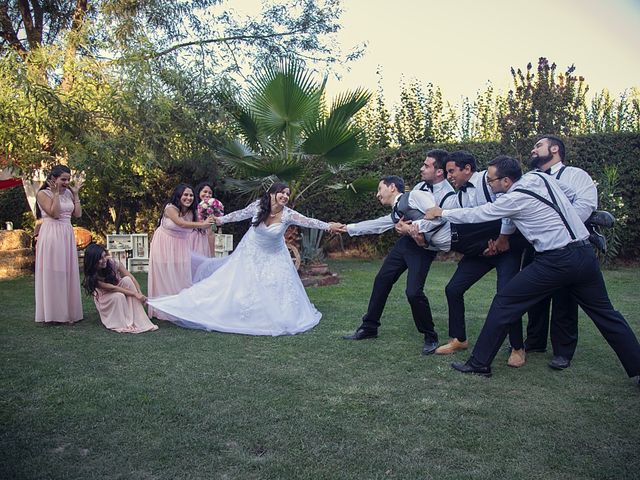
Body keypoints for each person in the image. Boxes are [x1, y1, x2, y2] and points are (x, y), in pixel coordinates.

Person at [425, 155, 640, 383]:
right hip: (585, 254)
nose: (488, 184)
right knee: (608, 316)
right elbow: (568, 195)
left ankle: (479, 364)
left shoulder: (514, 198)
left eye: (491, 180)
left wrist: (442, 213)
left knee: (504, 301)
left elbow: (479, 214)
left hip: (556, 260)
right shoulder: (539, 178)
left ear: (506, 181)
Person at [147, 182, 343, 335]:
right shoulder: (259, 206)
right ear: (272, 194)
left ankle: (269, 316)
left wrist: (328, 226)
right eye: (282, 192)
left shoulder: (288, 214)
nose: (285, 195)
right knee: (233, 286)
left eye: (287, 193)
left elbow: (309, 222)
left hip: (275, 256)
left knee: (276, 287)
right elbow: (239, 215)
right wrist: (220, 219)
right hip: (250, 252)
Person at [342, 153, 456, 355]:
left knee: (413, 292)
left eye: (380, 188)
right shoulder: (414, 193)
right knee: (382, 280)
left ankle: (430, 336)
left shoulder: (443, 194)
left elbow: (440, 218)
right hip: (405, 244)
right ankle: (369, 327)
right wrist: (348, 228)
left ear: (392, 187)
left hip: (423, 248)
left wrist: (417, 230)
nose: (377, 194)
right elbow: (380, 224)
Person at [438, 151, 526, 367]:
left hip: (508, 247)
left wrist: (501, 240)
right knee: (454, 289)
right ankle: (458, 339)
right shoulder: (459, 195)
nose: (448, 176)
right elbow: (462, 220)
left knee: (507, 295)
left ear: (467, 169)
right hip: (483, 251)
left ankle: (517, 347)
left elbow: (508, 209)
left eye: (451, 171)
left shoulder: (491, 180)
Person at [523, 135, 598, 370]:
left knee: (564, 299)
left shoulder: (576, 175)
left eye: (538, 146)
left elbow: (586, 204)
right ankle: (534, 341)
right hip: (536, 244)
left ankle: (562, 351)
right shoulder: (530, 178)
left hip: (567, 246)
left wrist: (560, 228)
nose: (533, 150)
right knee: (535, 296)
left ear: (554, 149)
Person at [148, 183, 215, 320]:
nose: (188, 198)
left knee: (181, 274)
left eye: (191, 195)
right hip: (164, 243)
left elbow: (205, 227)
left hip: (181, 245)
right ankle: (162, 308)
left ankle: (180, 306)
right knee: (165, 274)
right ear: (178, 195)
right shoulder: (170, 208)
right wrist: (203, 224)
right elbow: (181, 223)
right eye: (185, 194)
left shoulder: (193, 212)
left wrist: (213, 217)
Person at [34, 164, 84, 324]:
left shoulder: (69, 192)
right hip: (52, 234)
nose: (66, 182)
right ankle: (54, 314)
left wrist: (75, 194)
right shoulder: (42, 194)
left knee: (67, 271)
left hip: (66, 233)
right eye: (63, 179)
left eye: (68, 179)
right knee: (54, 272)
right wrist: (55, 194)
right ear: (53, 179)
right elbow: (55, 214)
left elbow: (77, 214)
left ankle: (69, 312)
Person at [82, 243, 158, 333]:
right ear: (93, 261)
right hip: (105, 297)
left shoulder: (113, 263)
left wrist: (140, 293)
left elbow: (131, 277)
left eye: (104, 256)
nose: (104, 260)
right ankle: (124, 322)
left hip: (116, 287)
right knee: (118, 296)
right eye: (100, 259)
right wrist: (135, 294)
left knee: (127, 280)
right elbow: (113, 288)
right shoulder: (92, 277)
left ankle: (139, 319)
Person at [189, 181, 223, 257]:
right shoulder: (190, 207)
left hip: (203, 241)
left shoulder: (211, 211)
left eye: (210, 193)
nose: (207, 195)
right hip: (190, 238)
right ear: (198, 192)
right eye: (205, 191)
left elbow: (211, 233)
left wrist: (212, 254)